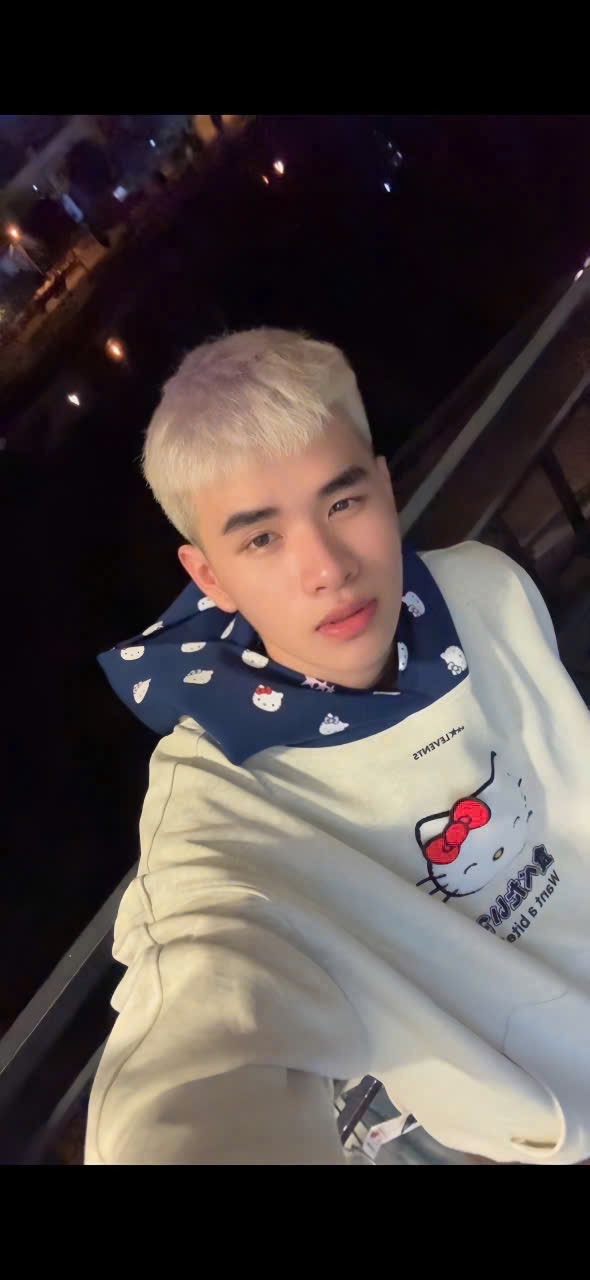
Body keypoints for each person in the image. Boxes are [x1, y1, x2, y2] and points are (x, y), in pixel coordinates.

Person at [85, 327, 590, 1165]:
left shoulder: (483, 587)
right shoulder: (223, 804)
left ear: (385, 488)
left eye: (343, 502)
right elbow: (195, 1038)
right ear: (208, 576)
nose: (327, 567)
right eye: (261, 538)